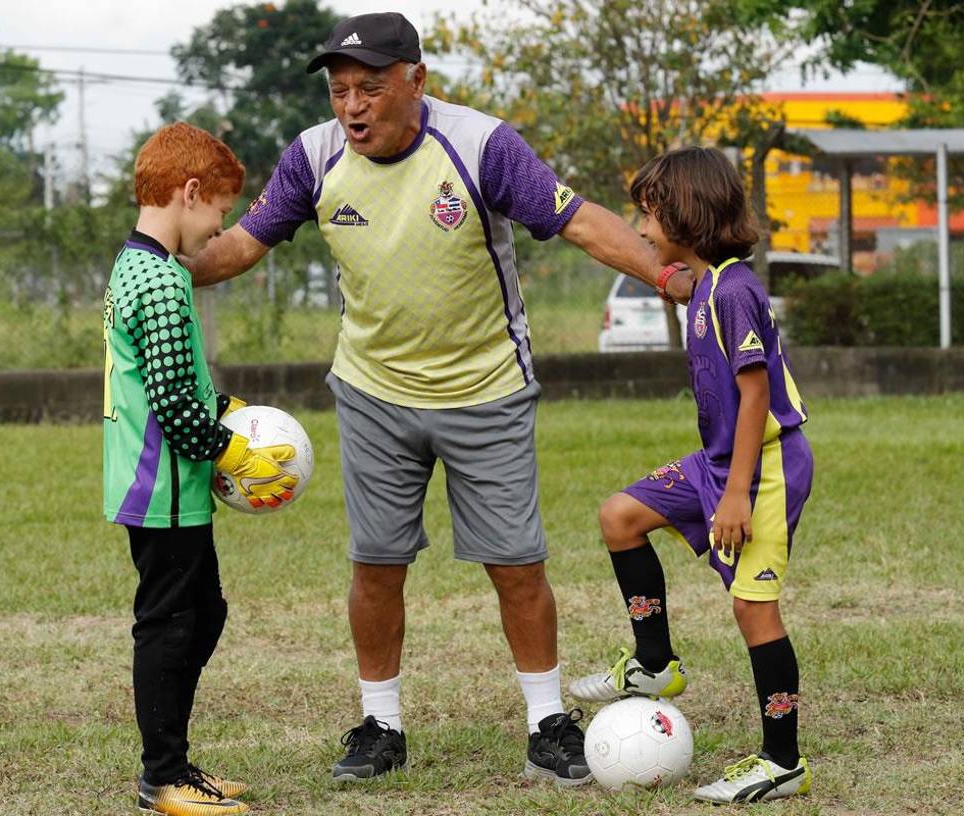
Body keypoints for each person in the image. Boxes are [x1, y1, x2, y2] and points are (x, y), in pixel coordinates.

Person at [186, 12, 694, 787]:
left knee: (515, 564)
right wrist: (159, 256)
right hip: (372, 392)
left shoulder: (483, 146)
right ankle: (380, 725)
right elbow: (238, 247)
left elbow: (578, 220)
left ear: (416, 81)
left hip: (486, 389)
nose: (351, 106)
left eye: (369, 88)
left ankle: (546, 722)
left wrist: (664, 274)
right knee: (376, 563)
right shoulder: (313, 157)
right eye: (339, 91)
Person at [567, 146, 814, 803]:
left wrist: (735, 495)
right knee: (620, 517)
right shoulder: (704, 284)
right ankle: (654, 662)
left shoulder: (733, 291)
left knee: (753, 609)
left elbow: (756, 394)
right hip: (719, 463)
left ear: (686, 215)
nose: (643, 229)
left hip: (763, 467)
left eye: (649, 216)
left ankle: (782, 761)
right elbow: (673, 281)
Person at [102, 122, 300, 816]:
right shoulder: (160, 279)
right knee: (169, 625)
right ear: (189, 193)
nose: (219, 229)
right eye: (219, 211)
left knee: (203, 614)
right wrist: (236, 451)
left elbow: (179, 382)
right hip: (160, 487)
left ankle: (176, 762)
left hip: (171, 488)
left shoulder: (141, 266)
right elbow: (175, 408)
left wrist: (230, 409)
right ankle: (162, 778)